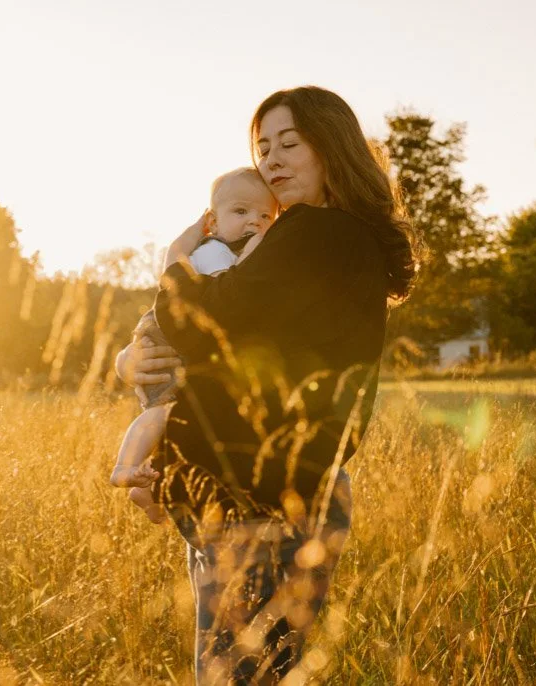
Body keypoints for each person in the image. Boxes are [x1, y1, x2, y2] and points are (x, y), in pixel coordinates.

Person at [113, 85, 416, 684]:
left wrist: (175, 260)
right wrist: (133, 358)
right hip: (267, 494)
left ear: (330, 148)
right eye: (261, 147)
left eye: (289, 143)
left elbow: (204, 322)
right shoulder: (316, 239)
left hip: (262, 503)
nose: (271, 159)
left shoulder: (317, 233)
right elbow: (237, 351)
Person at [107, 168, 276, 525]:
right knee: (165, 410)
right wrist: (255, 252)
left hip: (187, 343)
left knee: (181, 424)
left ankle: (150, 490)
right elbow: (223, 296)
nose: (254, 223)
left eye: (265, 216)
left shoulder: (227, 247)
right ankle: (126, 464)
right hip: (166, 338)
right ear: (212, 223)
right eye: (241, 212)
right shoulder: (216, 252)